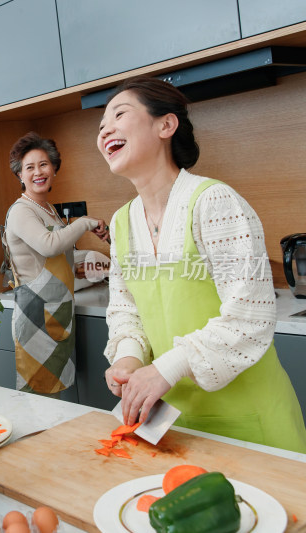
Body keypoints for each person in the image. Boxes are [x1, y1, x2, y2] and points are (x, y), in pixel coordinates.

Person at [98, 76, 306, 452]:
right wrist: (129, 359)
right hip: (178, 425)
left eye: (119, 114)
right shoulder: (121, 222)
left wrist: (165, 368)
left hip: (251, 422)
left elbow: (250, 316)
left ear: (166, 125)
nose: (104, 130)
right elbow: (125, 311)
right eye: (100, 126)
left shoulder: (214, 202)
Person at [3, 132, 109, 395]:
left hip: (57, 313)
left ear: (53, 169)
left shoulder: (47, 208)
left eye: (43, 164)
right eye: (30, 167)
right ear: (20, 175)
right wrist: (83, 222)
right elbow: (49, 245)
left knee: (56, 396)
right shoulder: (21, 210)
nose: (38, 172)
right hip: (36, 317)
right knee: (38, 398)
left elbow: (59, 259)